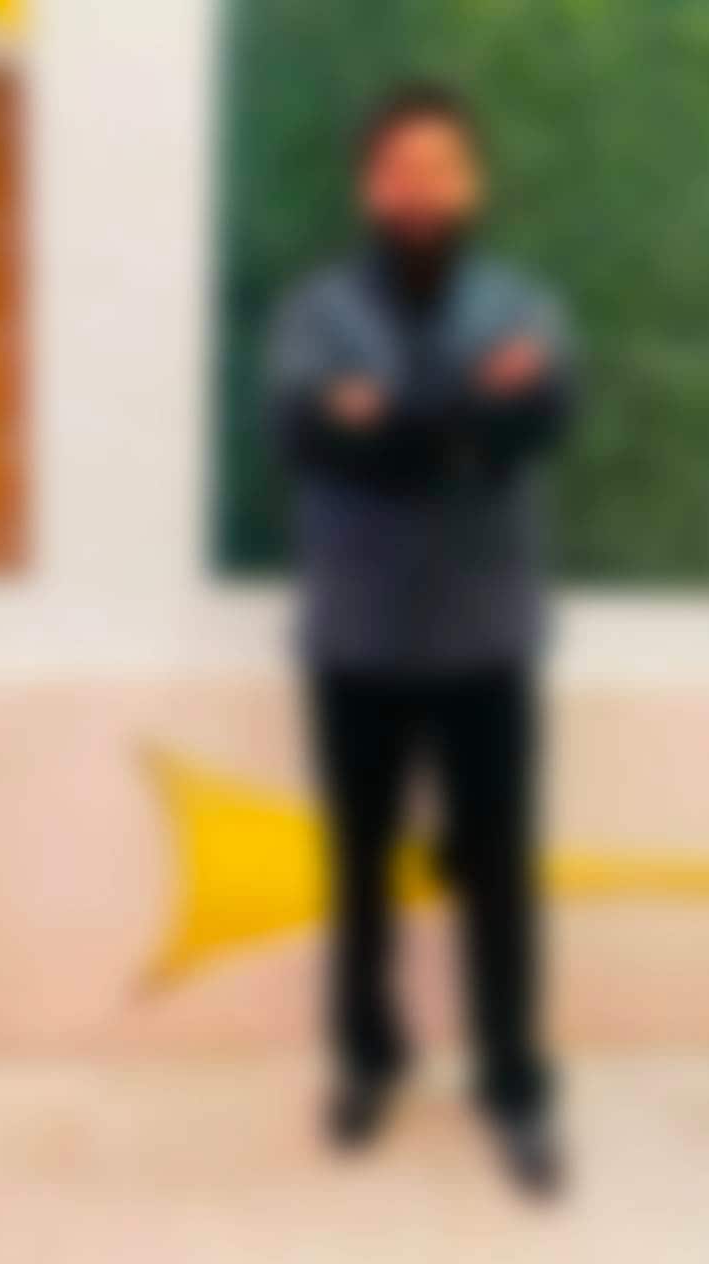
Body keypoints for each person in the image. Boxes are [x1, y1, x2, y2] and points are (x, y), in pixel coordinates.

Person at [266, 82, 577, 1196]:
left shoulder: (525, 304)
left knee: (501, 877)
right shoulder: (313, 313)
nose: (420, 187)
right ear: (370, 186)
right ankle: (368, 1058)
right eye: (399, 168)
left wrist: (390, 418)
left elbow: (539, 420)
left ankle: (513, 1082)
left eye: (441, 165)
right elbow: (310, 435)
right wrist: (459, 426)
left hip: (489, 643)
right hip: (353, 642)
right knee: (359, 871)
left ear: (471, 181)